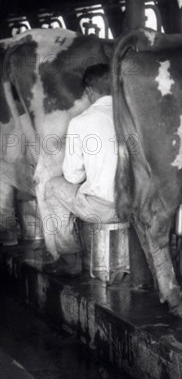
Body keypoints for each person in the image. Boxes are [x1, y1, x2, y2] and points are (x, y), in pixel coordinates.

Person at [43, 63, 119, 276]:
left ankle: (69, 258)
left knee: (52, 187)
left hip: (101, 209)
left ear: (89, 91)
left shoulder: (81, 122)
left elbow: (72, 175)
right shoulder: (133, 116)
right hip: (136, 205)